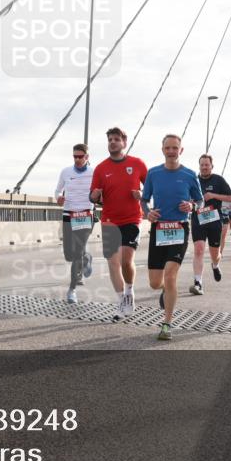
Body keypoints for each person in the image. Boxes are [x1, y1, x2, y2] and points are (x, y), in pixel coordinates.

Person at [141, 134, 202, 340]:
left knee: (170, 275)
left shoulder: (190, 174)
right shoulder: (153, 173)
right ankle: (165, 292)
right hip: (158, 230)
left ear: (181, 150)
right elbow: (144, 200)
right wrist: (147, 212)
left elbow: (200, 201)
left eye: (175, 148)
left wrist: (192, 206)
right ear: (162, 150)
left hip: (179, 229)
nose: (171, 151)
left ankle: (167, 324)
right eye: (167, 148)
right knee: (155, 282)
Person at [90, 127, 147, 320]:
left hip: (132, 218)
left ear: (124, 141)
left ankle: (129, 290)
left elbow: (151, 187)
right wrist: (95, 196)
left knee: (125, 261)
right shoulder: (100, 168)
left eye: (116, 139)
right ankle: (122, 300)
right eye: (109, 140)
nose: (112, 142)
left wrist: (142, 195)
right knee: (113, 263)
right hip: (109, 220)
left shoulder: (137, 163)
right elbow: (93, 196)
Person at [55, 143, 95, 303]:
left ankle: (72, 290)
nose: (77, 159)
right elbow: (57, 190)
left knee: (77, 252)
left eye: (81, 156)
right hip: (68, 215)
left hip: (85, 215)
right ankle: (87, 258)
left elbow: (102, 191)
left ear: (87, 157)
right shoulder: (66, 172)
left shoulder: (94, 172)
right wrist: (59, 198)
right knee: (69, 255)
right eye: (75, 156)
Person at [188, 154, 231, 295]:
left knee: (215, 253)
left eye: (207, 165)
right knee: (199, 249)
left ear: (211, 166)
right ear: (199, 166)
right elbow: (186, 197)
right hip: (198, 218)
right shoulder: (193, 180)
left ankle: (215, 264)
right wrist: (190, 203)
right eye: (202, 165)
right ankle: (198, 283)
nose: (204, 167)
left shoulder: (219, 180)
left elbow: (230, 198)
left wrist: (213, 195)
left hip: (214, 219)